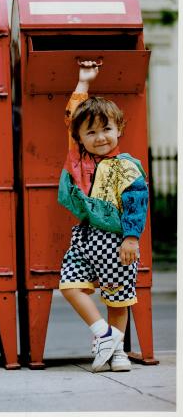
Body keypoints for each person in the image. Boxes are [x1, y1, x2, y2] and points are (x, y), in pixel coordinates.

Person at [58, 60, 149, 372]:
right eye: (91, 132)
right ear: (80, 137)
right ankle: (104, 334)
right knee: (69, 285)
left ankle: (117, 353)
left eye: (107, 129)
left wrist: (132, 239)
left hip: (117, 239)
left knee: (118, 297)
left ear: (119, 129)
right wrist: (84, 82)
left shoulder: (126, 166)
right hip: (85, 235)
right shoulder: (78, 159)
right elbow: (73, 114)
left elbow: (137, 204)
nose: (100, 137)